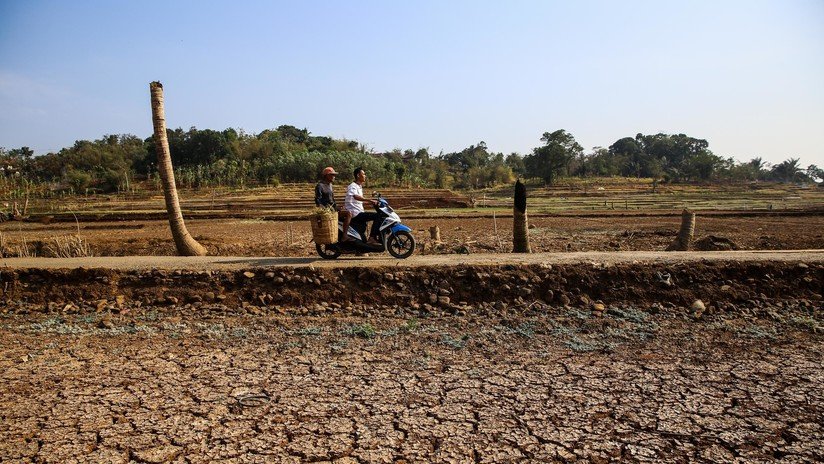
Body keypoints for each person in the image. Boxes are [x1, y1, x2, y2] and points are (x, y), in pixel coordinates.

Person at [314, 166, 353, 241]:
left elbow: (332, 200)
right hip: (327, 210)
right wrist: (324, 211)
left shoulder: (330, 185)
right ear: (326, 176)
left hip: (333, 209)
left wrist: (337, 207)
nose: (334, 177)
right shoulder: (320, 186)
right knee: (349, 214)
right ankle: (345, 236)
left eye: (334, 175)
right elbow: (318, 200)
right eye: (332, 175)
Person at [345, 167, 380, 244]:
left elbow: (358, 200)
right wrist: (370, 200)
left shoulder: (359, 187)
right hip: (355, 213)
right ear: (358, 175)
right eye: (363, 174)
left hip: (358, 212)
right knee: (378, 216)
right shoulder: (352, 186)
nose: (365, 176)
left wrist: (371, 202)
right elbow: (356, 197)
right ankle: (372, 238)